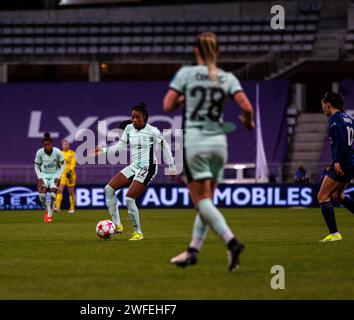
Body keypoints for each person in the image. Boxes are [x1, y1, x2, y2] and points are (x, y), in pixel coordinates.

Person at [163, 32, 255, 271]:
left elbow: (167, 105)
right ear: (218, 52)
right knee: (208, 201)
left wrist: (184, 99)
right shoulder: (227, 77)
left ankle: (232, 242)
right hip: (219, 144)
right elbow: (246, 106)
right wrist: (247, 121)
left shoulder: (186, 74)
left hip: (195, 142)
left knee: (200, 201)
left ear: (196, 52)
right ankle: (193, 251)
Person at [92, 102, 177, 241]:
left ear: (144, 118)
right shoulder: (129, 129)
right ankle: (117, 225)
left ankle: (138, 232)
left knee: (129, 198)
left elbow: (165, 147)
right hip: (134, 166)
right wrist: (103, 150)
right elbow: (119, 148)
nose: (135, 120)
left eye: (138, 117)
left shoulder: (152, 131)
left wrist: (172, 168)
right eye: (133, 117)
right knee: (108, 189)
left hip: (148, 167)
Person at [316, 92, 354, 242]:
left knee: (322, 197)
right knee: (338, 196)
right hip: (350, 161)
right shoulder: (349, 119)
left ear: (327, 104)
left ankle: (334, 234)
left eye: (323, 106)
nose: (323, 109)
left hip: (343, 163)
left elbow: (340, 142)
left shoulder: (334, 120)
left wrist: (337, 161)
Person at [34, 132, 65, 223]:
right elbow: (36, 166)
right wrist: (39, 178)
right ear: (43, 145)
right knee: (42, 196)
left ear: (51, 144)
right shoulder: (40, 152)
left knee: (52, 195)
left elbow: (63, 164)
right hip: (43, 175)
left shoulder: (57, 151)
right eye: (45, 145)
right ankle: (47, 210)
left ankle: (49, 214)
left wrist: (59, 176)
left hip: (54, 175)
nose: (47, 146)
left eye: (48, 144)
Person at [55, 140, 77, 213]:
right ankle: (57, 207)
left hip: (70, 175)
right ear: (62, 146)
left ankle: (72, 208)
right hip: (63, 175)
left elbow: (73, 163)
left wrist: (70, 171)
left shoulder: (72, 153)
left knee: (71, 192)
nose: (66, 145)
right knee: (59, 190)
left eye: (67, 144)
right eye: (64, 144)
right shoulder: (60, 154)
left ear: (69, 145)